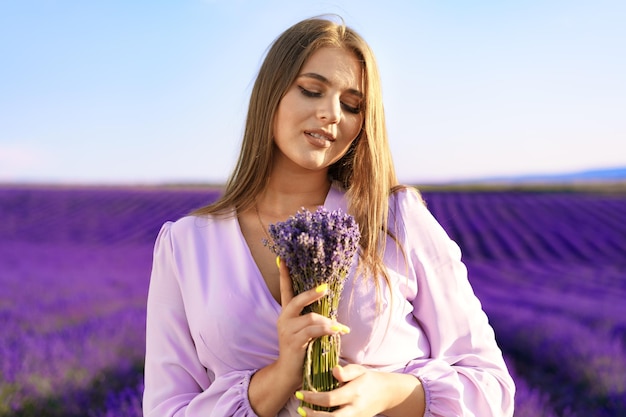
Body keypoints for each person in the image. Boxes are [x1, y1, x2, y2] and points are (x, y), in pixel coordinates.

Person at [143, 16, 515, 417]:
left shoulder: (394, 219)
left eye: (352, 105)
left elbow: (491, 387)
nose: (332, 113)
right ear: (271, 93)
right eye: (311, 90)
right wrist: (281, 374)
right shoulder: (186, 245)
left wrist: (385, 393)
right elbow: (167, 409)